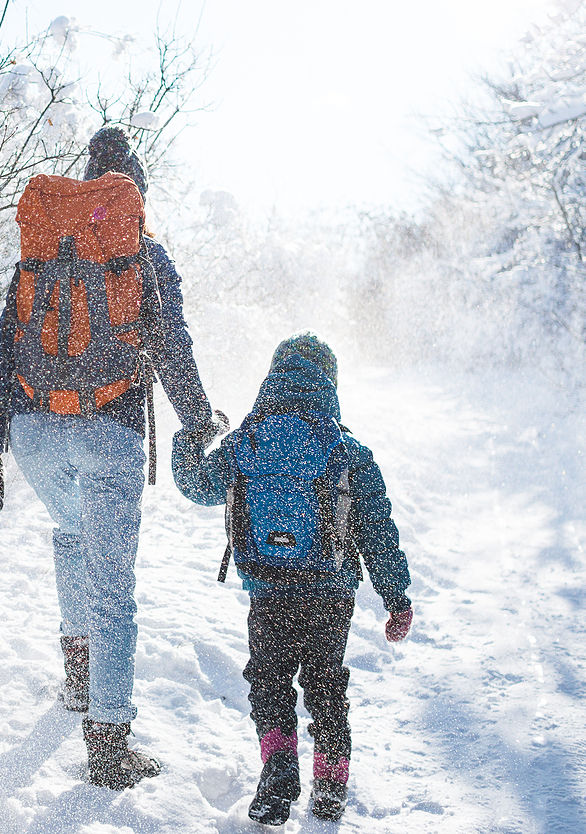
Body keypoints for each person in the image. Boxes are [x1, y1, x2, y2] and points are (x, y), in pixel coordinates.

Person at [0, 126, 219, 789]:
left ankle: (78, 676)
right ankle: (108, 745)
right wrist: (198, 422)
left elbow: (4, 347)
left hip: (33, 430)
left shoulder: (44, 252)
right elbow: (172, 349)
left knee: (70, 528)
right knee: (113, 587)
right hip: (107, 432)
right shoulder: (142, 255)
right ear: (134, 192)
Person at [171, 333, 413, 824]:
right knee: (326, 683)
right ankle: (329, 782)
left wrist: (188, 439)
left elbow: (198, 485)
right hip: (329, 592)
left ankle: (279, 768)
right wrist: (396, 596)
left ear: (273, 377)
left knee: (269, 679)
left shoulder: (246, 442)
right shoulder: (347, 451)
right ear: (329, 383)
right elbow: (377, 528)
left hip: (270, 586)